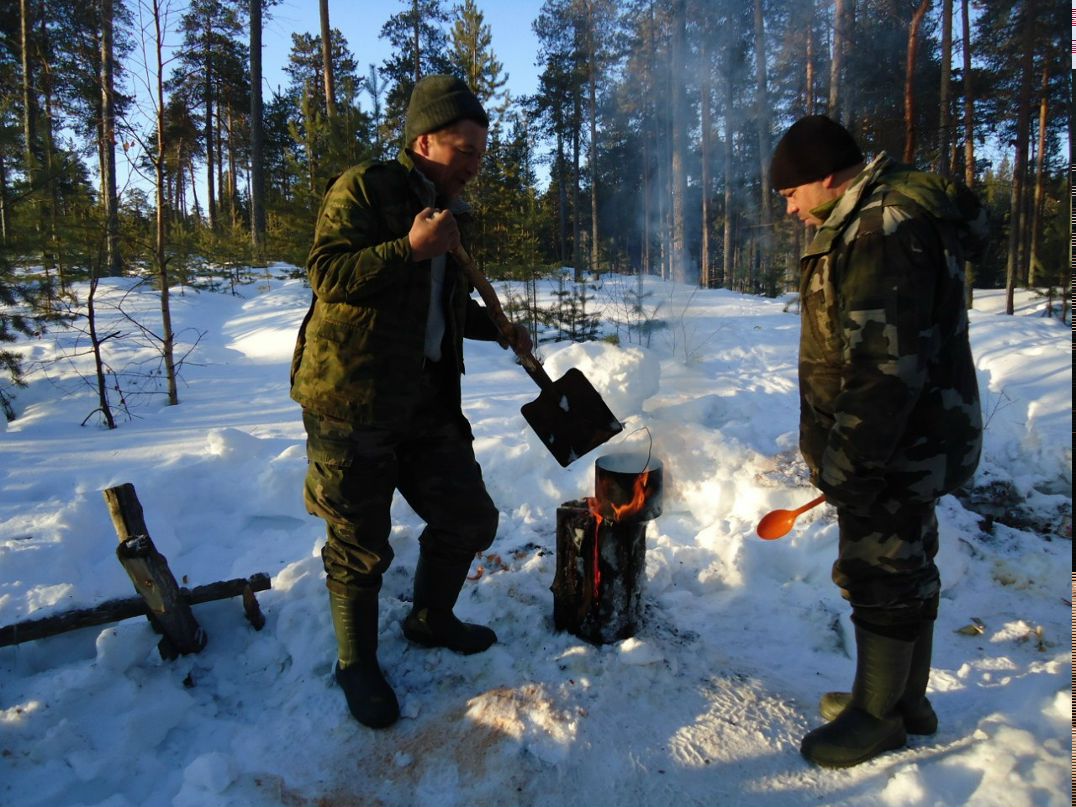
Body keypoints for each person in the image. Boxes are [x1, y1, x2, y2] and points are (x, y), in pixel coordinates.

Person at [289, 75, 531, 730]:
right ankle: (354, 662)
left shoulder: (451, 215)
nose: (476, 164)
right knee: (359, 540)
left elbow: (439, 306)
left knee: (469, 516)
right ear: (424, 141)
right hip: (352, 398)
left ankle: (429, 617)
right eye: (466, 150)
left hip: (424, 397)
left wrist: (495, 327)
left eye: (483, 151)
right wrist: (407, 248)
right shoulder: (366, 188)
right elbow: (328, 275)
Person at [769, 115, 983, 768]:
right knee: (909, 560)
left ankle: (877, 715)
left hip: (891, 443)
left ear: (827, 176)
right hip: (918, 436)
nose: (791, 208)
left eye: (792, 193)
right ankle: (904, 700)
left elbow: (883, 366)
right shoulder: (885, 215)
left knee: (879, 569)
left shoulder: (878, 230)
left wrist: (848, 459)